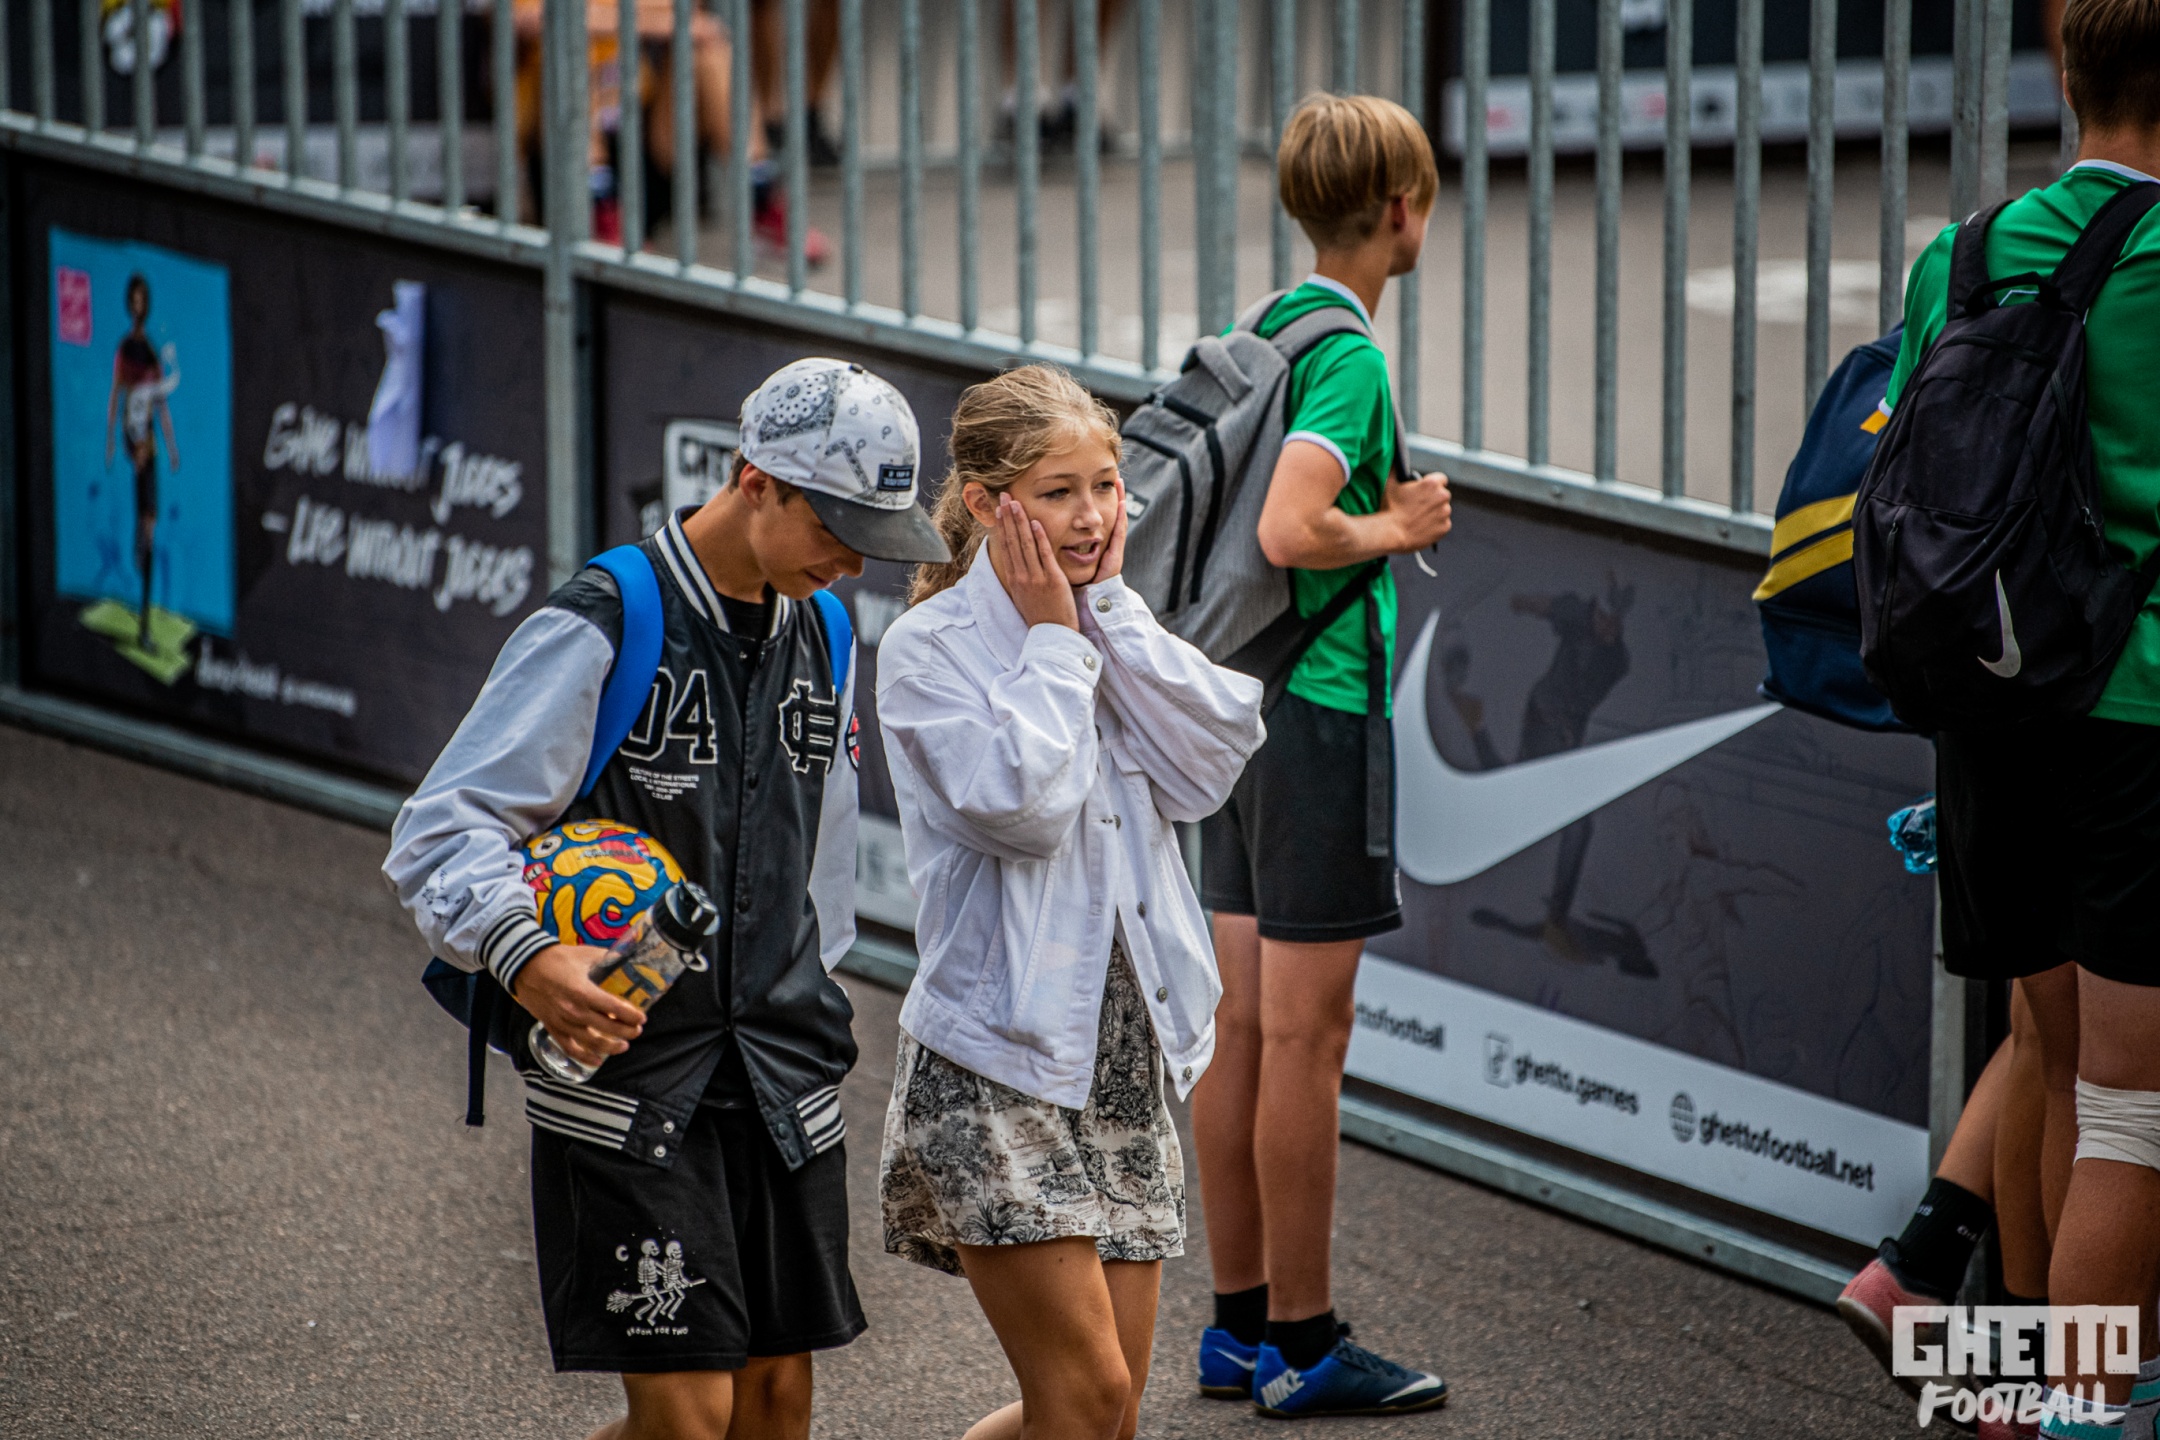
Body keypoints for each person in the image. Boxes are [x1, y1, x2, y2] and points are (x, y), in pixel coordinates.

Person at [383, 358, 950, 1440]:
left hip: (779, 1069)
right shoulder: (609, 615)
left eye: (871, 538)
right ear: (755, 480)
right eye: (835, 527)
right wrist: (525, 954)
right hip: (634, 1072)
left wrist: (809, 993)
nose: (851, 562)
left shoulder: (827, 632)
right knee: (689, 1418)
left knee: (775, 1405)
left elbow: (824, 859)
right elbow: (444, 825)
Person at [874, 365, 1265, 1440]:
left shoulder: (1103, 621)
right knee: (1084, 1400)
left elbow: (1210, 762)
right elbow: (1025, 810)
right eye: (1058, 492)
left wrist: (1109, 617)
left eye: (1105, 486)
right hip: (995, 1061)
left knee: (1108, 1413)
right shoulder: (928, 650)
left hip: (1126, 1058)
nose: (1092, 516)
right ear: (989, 503)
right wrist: (1054, 642)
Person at [1884, 1, 2160, 1431]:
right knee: (2131, 1111)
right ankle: (2091, 1410)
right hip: (2136, 711)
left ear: (2064, 72)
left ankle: (2024, 1389)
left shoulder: (1966, 251)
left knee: (2051, 1065)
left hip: (1989, 707)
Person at [1189, 92, 1456, 1418]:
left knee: (1241, 1027)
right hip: (1318, 711)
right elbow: (1294, 530)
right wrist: (1400, 527)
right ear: (1401, 210)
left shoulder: (1267, 325)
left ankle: (1237, 1329)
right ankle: (1304, 1342)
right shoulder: (1348, 353)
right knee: (1305, 1038)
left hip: (1233, 707)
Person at [103, 273, 179, 654]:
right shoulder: (125, 349)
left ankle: (143, 540)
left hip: (149, 445)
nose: (138, 307)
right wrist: (114, 441)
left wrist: (171, 445)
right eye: (133, 301)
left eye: (142, 301)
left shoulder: (151, 350)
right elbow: (117, 396)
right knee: (144, 520)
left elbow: (160, 403)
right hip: (134, 443)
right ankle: (140, 539)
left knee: (151, 520)